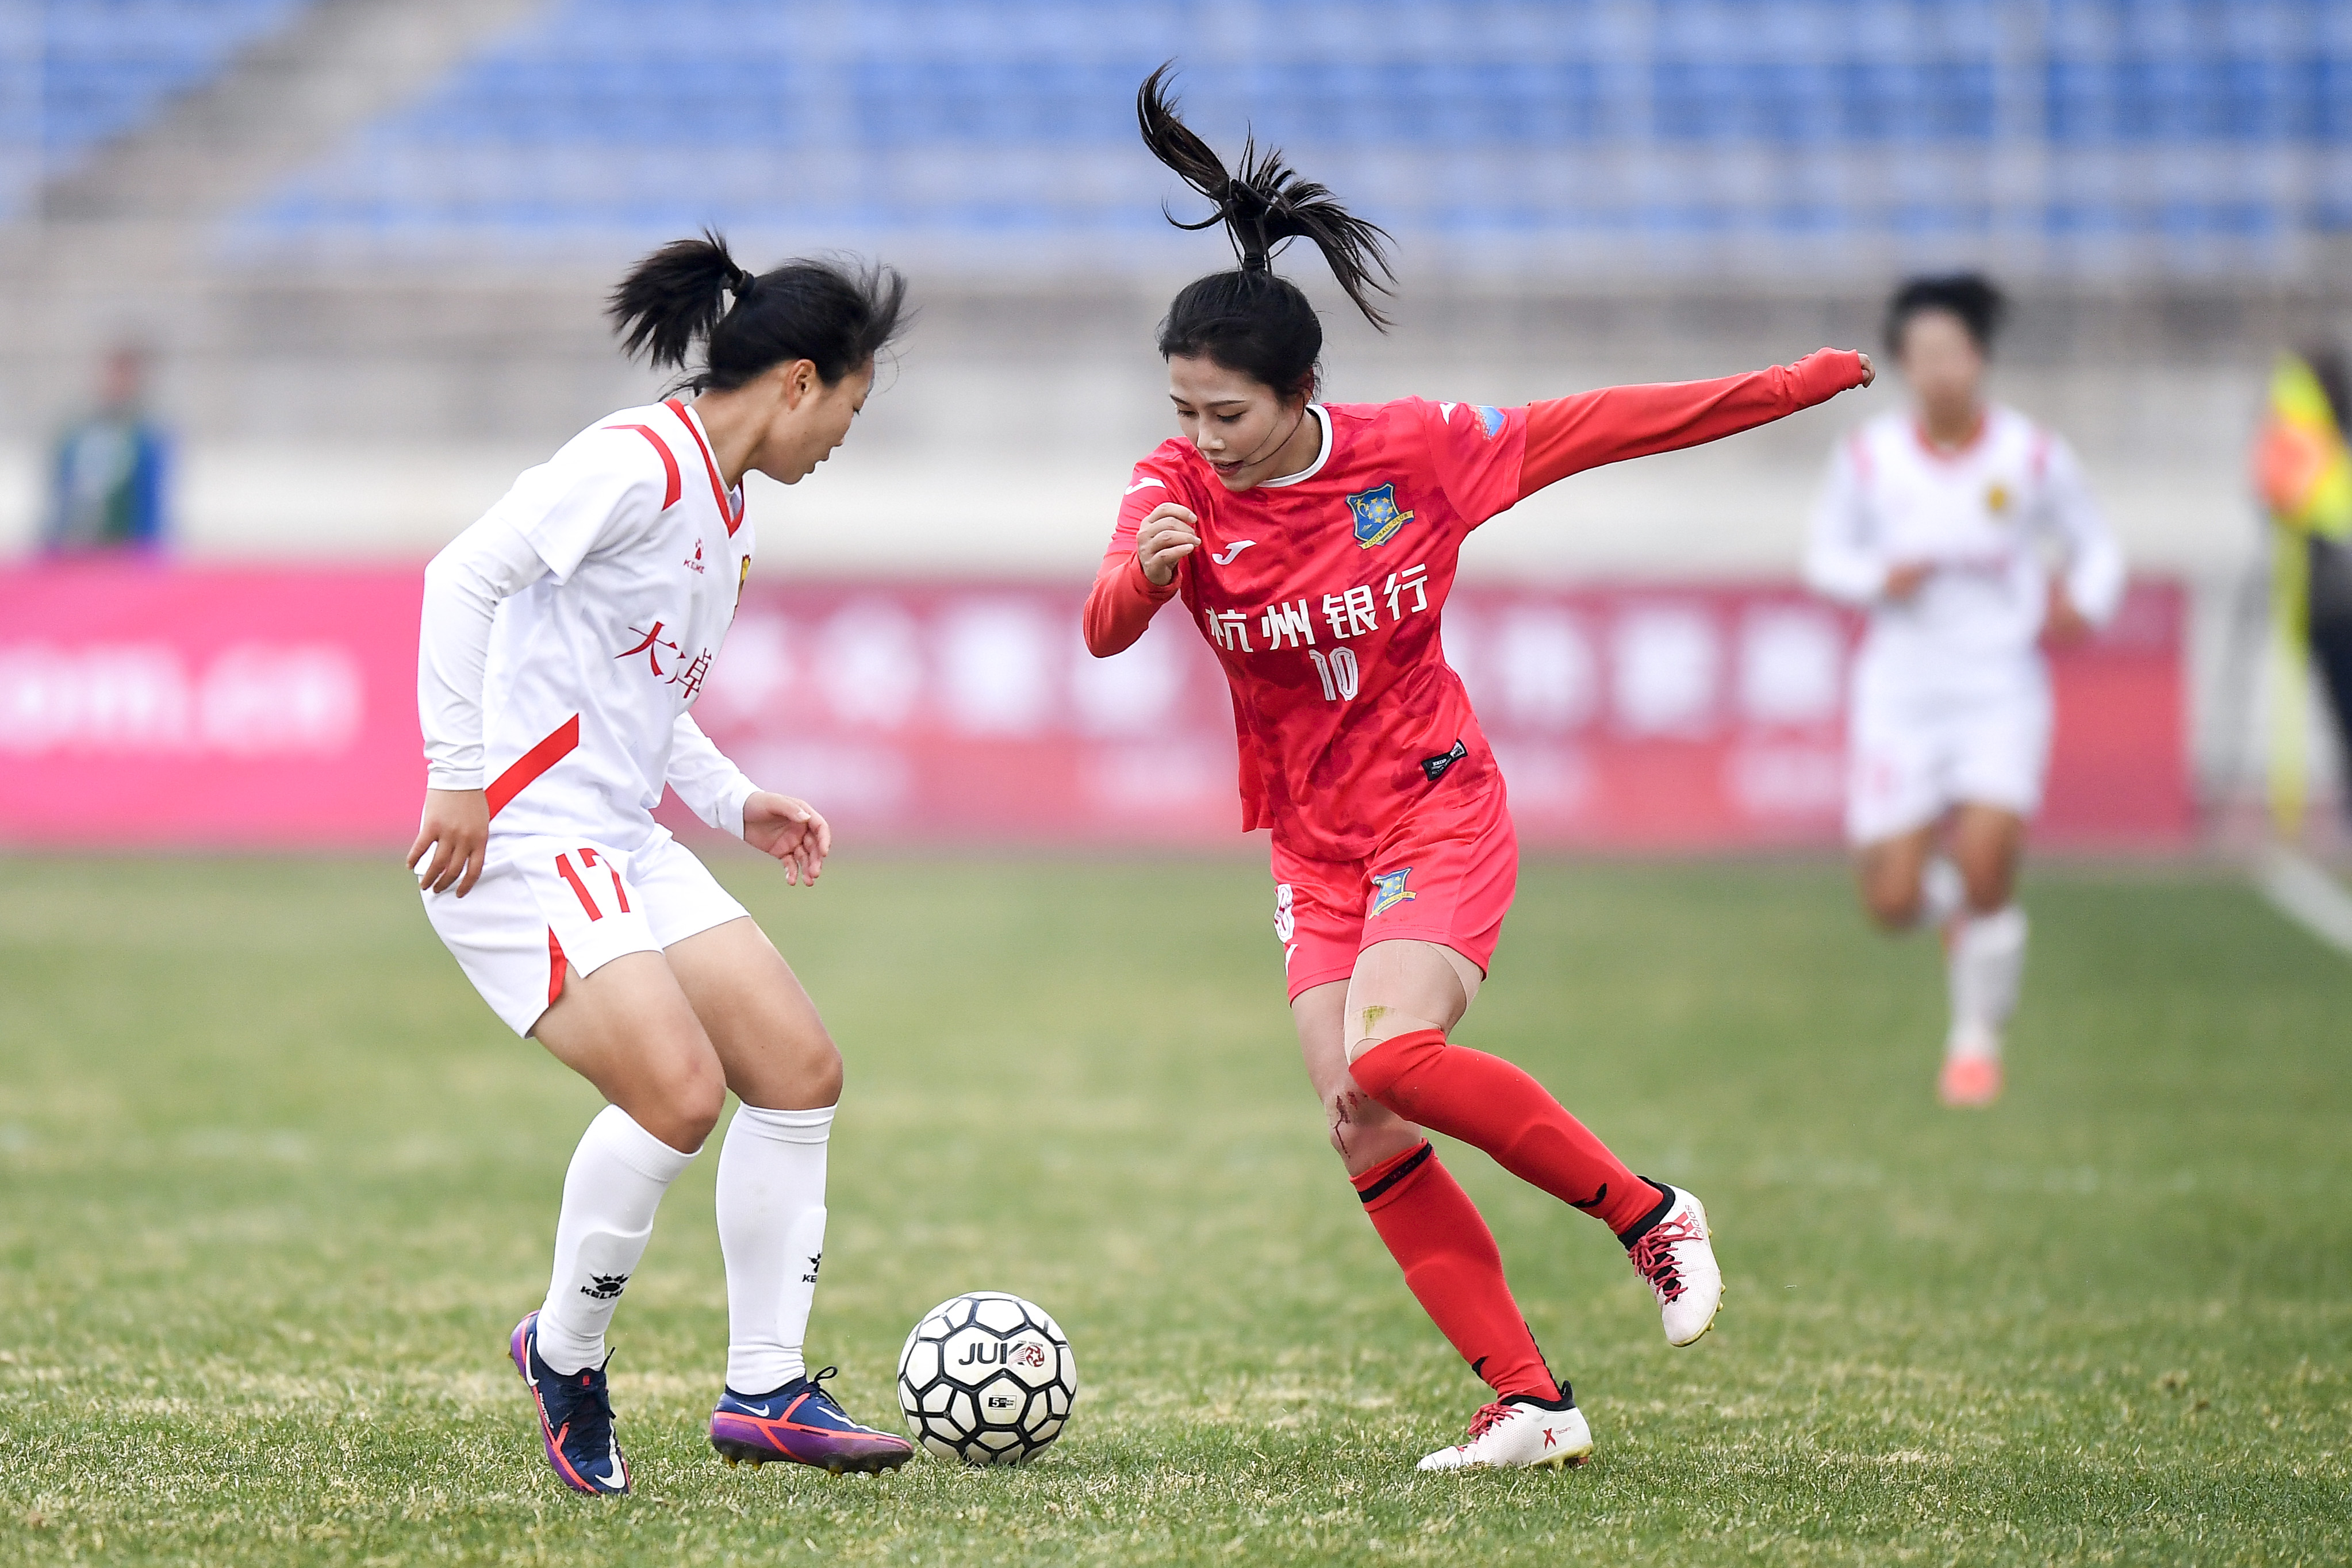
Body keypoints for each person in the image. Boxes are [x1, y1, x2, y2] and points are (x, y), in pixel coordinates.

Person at [1084, 68, 1874, 1473]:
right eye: (1184, 411)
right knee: (1359, 1117)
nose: (1202, 440)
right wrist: (1139, 585)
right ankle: (1530, 1399)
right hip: (1312, 846)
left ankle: (1648, 1211)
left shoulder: (1414, 458)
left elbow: (1602, 425)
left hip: (1438, 805)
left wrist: (1786, 386)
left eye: (1228, 417)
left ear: (1300, 394)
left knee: (1392, 1053)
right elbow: (1100, 625)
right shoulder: (1171, 489)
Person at [408, 233, 915, 1494]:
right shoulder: (631, 461)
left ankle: (766, 1387)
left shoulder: (729, 509)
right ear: (799, 379)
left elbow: (643, 692)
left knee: (798, 1071)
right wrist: (454, 769)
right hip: (524, 835)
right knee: (680, 1093)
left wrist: (733, 798)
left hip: (623, 834)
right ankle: (563, 1354)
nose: (843, 440)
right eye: (848, 409)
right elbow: (460, 575)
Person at [1804, 275, 2123, 1109]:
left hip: (1998, 688)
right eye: (1922, 355)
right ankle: (1972, 925)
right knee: (1889, 900)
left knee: (1986, 861)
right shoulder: (1869, 457)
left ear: (1978, 358)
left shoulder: (2031, 457)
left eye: (1954, 352)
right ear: (1902, 363)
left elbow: (2095, 550)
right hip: (1899, 695)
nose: (1940, 369)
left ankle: (1973, 1043)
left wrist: (2080, 604)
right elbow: (1823, 559)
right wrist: (1880, 575)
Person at [43, 345, 168, 554]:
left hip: (124, 552)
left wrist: (146, 551)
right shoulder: (76, 433)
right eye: (112, 373)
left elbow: (151, 504)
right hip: (76, 550)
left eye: (125, 375)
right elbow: (60, 495)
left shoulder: (147, 437)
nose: (116, 383)